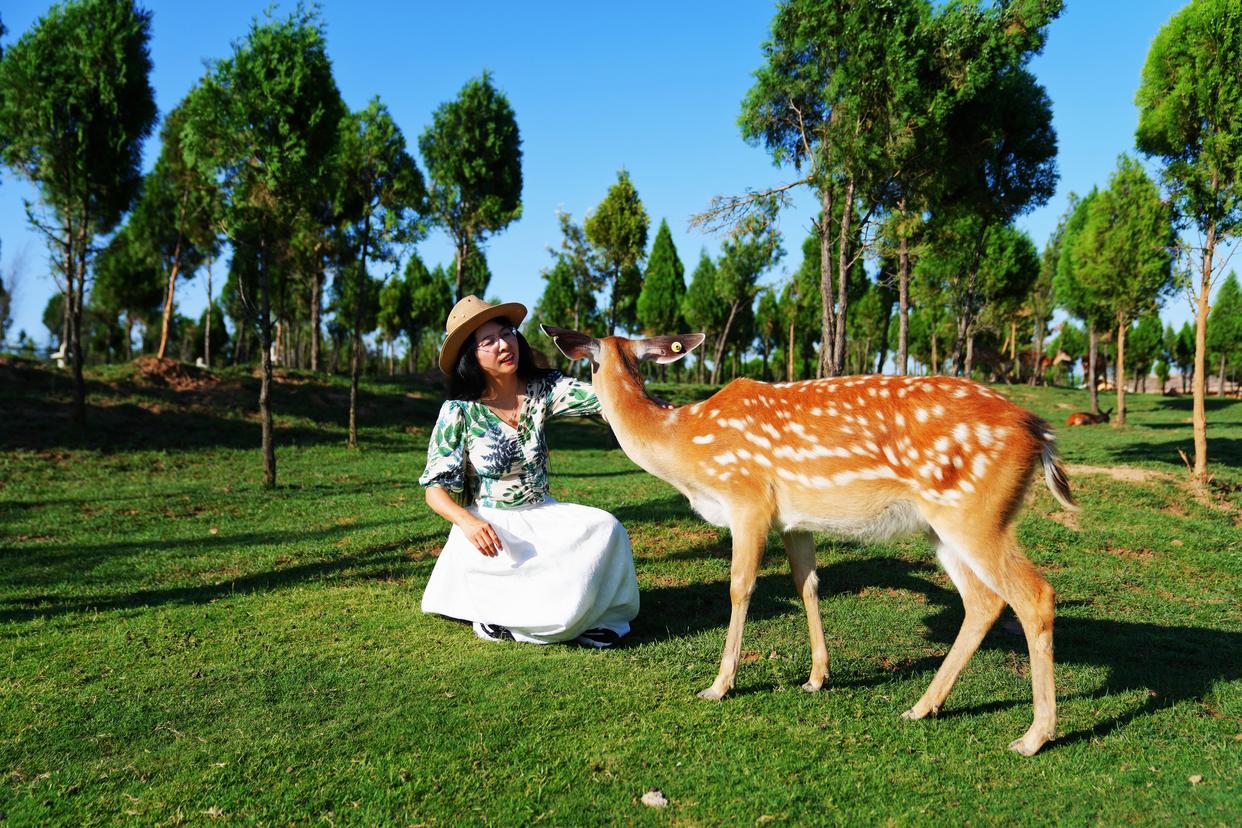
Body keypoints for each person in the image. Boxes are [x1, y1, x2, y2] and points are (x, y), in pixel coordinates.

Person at [419, 295, 639, 647]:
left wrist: (645, 407)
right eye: (487, 341)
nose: (503, 344)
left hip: (543, 511)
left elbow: (604, 400)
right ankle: (499, 616)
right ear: (470, 357)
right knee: (548, 603)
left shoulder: (543, 389)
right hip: (493, 525)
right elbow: (434, 489)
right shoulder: (459, 412)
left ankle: (596, 616)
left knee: (606, 528)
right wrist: (468, 522)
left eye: (506, 333)